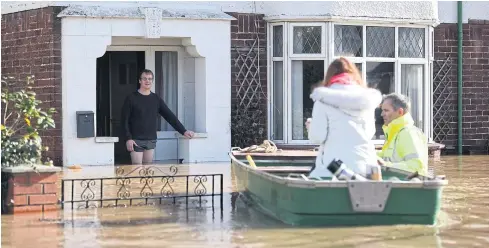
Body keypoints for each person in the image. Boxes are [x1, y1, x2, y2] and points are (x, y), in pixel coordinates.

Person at [306, 57, 382, 178]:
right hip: (365, 166)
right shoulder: (366, 100)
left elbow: (317, 137)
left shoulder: (323, 100)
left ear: (330, 76)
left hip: (333, 168)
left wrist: (311, 127)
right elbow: (369, 133)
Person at [121, 69, 194, 164]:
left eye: (150, 79)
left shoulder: (156, 99)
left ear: (152, 81)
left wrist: (183, 131)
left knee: (148, 171)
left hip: (151, 139)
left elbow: (169, 116)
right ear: (140, 81)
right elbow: (124, 120)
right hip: (135, 140)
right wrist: (128, 138)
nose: (147, 81)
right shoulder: (131, 98)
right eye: (145, 79)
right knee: (137, 170)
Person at [377, 93, 429, 175]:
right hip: (396, 183)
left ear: (400, 112)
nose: (382, 114)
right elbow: (385, 156)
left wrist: (386, 165)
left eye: (386, 110)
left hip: (409, 185)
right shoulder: (395, 133)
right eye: (382, 110)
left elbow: (417, 167)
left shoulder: (408, 133)